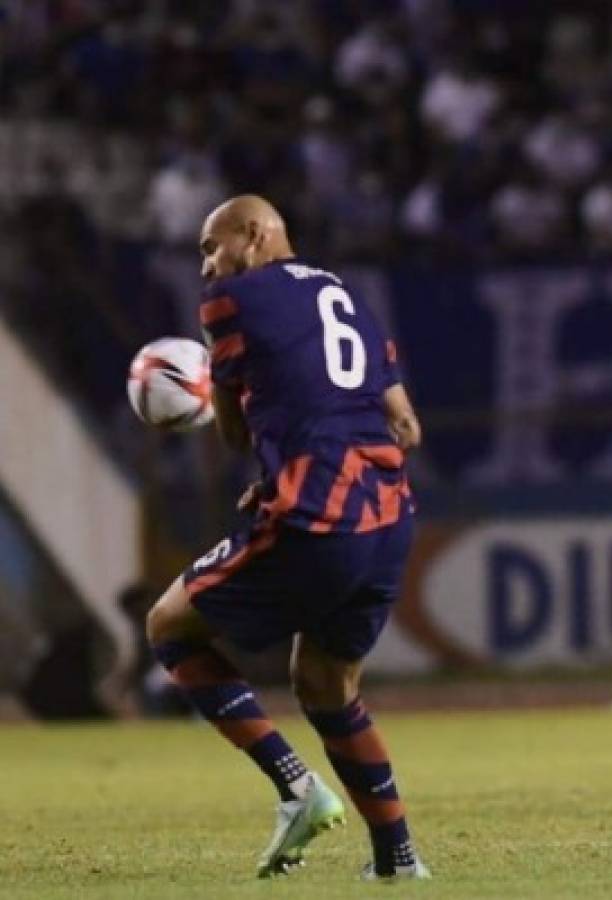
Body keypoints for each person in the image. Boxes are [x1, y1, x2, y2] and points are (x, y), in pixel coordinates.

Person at [144, 195, 430, 881]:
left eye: (212, 247)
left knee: (169, 628)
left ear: (254, 233)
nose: (209, 265)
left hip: (320, 514)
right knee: (326, 686)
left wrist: (220, 399)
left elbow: (236, 433)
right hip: (390, 516)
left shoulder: (228, 303)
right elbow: (406, 427)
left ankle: (297, 787)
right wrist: (296, 456)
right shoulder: (346, 296)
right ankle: (398, 860)